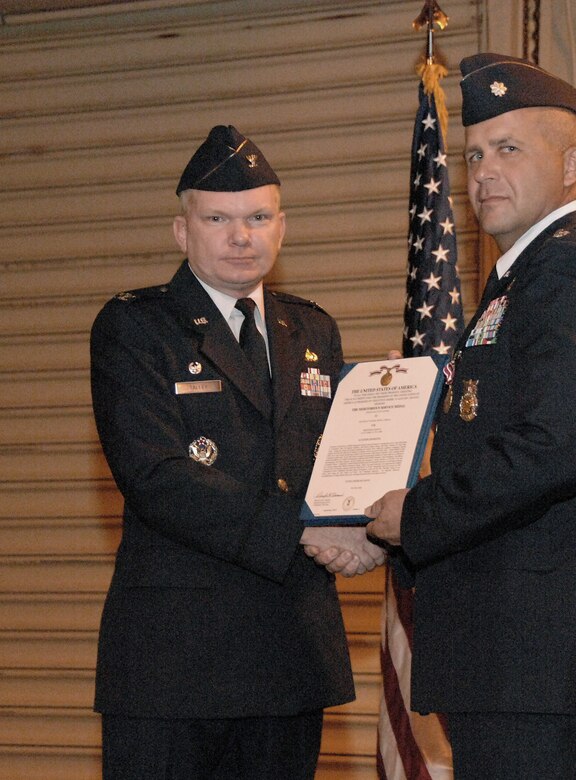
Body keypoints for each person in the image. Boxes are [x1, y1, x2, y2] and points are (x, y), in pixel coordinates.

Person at [365, 53, 576, 779]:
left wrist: (418, 514)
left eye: (508, 149)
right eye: (472, 154)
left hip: (541, 659)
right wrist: (388, 528)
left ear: (571, 164)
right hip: (526, 660)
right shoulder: (529, 277)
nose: (482, 173)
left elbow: (551, 448)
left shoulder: (574, 270)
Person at [90, 124, 384, 780]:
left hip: (290, 656)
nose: (240, 235)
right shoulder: (136, 328)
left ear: (282, 228)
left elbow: (340, 463)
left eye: (257, 217)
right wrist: (308, 533)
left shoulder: (312, 328)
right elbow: (158, 477)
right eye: (217, 218)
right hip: (176, 666)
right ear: (182, 230)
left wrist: (391, 427)